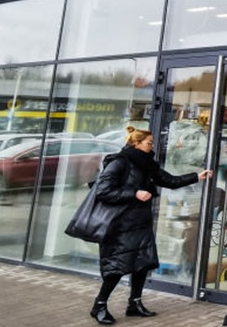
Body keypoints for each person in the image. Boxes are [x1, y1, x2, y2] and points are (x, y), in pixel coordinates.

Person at [90, 127, 212, 324]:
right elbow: (103, 191)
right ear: (136, 144)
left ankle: (134, 303)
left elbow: (169, 181)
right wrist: (134, 193)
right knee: (117, 266)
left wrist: (197, 176)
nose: (152, 146)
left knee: (142, 263)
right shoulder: (119, 162)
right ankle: (99, 305)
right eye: (149, 142)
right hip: (120, 225)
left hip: (140, 222)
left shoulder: (147, 164)